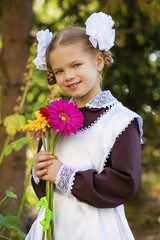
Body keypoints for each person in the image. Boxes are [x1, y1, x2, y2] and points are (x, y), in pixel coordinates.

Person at [26, 12, 143, 240]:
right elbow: (46, 190)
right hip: (53, 226)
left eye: (76, 65)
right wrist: (40, 171)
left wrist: (62, 173)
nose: (68, 76)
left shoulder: (120, 121)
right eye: (59, 71)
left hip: (97, 229)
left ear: (98, 61)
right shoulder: (52, 119)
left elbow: (125, 184)